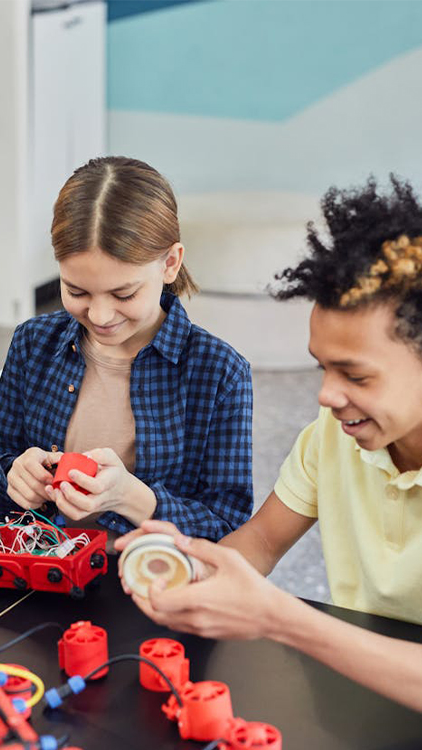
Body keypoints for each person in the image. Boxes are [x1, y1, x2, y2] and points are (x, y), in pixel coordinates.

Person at [116, 176, 422, 712]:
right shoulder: (332, 438)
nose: (326, 395)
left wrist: (280, 618)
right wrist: (186, 562)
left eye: (356, 375)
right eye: (322, 366)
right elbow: (258, 544)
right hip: (364, 701)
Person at [0, 156, 253, 539]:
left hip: (150, 582)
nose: (100, 314)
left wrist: (131, 498)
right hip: (40, 569)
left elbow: (229, 524)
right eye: (76, 291)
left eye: (124, 293)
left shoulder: (219, 372)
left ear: (170, 264)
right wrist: (14, 477)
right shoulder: (32, 343)